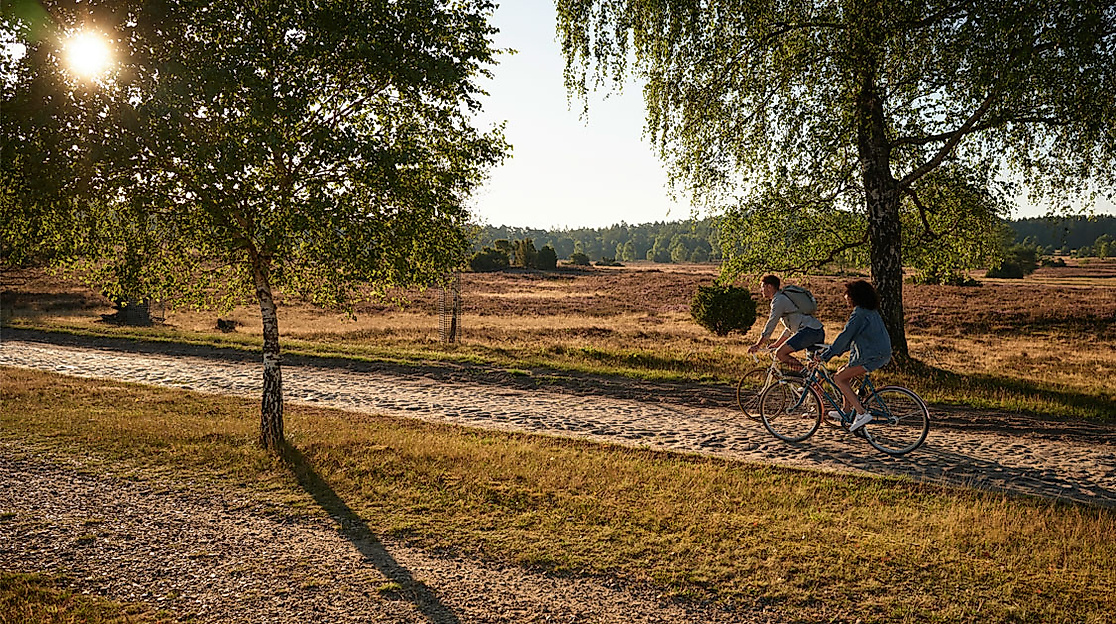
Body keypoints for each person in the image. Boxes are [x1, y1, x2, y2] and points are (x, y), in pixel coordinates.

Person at [820, 280, 892, 432]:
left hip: (872, 355)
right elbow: (851, 340)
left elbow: (845, 336)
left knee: (838, 378)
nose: (845, 298)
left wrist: (826, 355)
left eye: (847, 295)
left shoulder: (859, 313)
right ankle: (846, 411)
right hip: (879, 352)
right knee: (842, 372)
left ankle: (861, 413)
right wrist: (834, 352)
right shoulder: (871, 311)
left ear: (855, 296)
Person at [748, 275, 825, 373]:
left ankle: (805, 376)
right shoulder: (782, 299)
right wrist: (776, 344)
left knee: (780, 354)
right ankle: (814, 385)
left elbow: (771, 323)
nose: (761, 290)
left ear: (769, 287)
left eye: (762, 287)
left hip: (809, 332)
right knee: (813, 367)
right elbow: (789, 328)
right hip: (815, 330)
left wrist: (758, 344)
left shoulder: (779, 300)